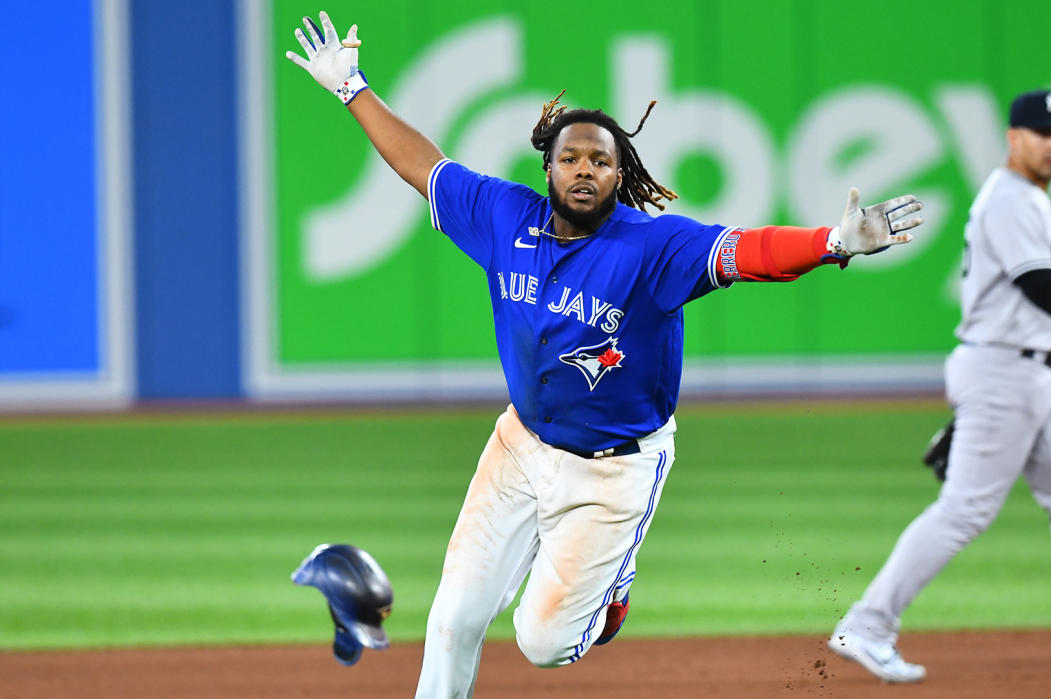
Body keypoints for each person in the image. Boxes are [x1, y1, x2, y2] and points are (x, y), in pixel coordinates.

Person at [285, 11, 925, 697]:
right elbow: (424, 166)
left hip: (614, 472)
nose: (584, 169)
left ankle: (614, 586)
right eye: (571, 157)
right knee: (454, 615)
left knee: (543, 643)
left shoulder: (651, 248)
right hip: (521, 445)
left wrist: (830, 243)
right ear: (549, 167)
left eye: (600, 160)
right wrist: (351, 87)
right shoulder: (506, 217)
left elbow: (747, 252)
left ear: (620, 174)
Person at [828, 89, 1051, 683]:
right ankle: (868, 625)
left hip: (1039, 374)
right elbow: (1041, 290)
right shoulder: (1007, 201)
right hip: (1004, 371)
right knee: (965, 510)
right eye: (1043, 132)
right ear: (1013, 137)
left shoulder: (1028, 199)